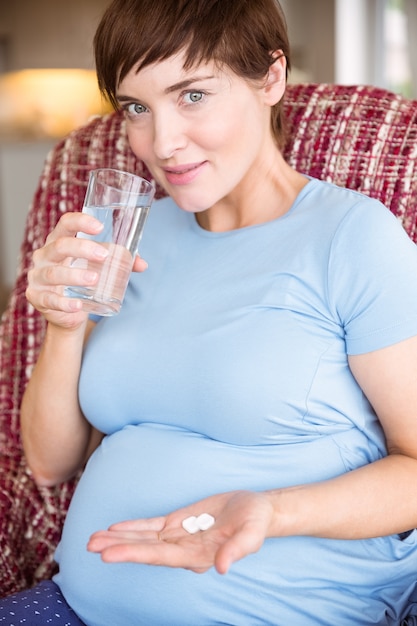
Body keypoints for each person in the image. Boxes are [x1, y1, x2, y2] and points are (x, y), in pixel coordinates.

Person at [2, 0, 417, 624]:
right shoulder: (125, 237)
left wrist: (273, 511)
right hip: (75, 607)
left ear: (271, 78)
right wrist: (65, 324)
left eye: (192, 95)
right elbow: (49, 462)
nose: (161, 143)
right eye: (136, 108)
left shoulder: (352, 237)